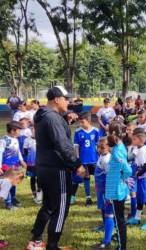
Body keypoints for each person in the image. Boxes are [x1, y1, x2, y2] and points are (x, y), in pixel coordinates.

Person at [27, 85, 85, 250]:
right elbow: (63, 145)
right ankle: (52, 246)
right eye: (66, 99)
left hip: (44, 167)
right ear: (57, 99)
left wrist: (64, 117)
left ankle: (36, 240)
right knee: (60, 209)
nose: (69, 102)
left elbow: (53, 127)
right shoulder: (52, 118)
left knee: (49, 205)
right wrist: (77, 165)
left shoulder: (44, 114)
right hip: (56, 169)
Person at [105, 121, 132, 250]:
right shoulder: (119, 147)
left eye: (109, 132)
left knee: (119, 219)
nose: (108, 134)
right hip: (116, 189)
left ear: (114, 133)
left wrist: (122, 178)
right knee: (118, 217)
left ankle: (122, 246)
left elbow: (128, 170)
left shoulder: (117, 151)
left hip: (117, 190)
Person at [127, 128, 146, 230]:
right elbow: (130, 158)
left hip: (144, 179)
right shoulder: (137, 148)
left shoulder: (144, 150)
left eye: (134, 139)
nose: (132, 141)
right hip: (139, 178)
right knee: (139, 199)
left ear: (139, 140)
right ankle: (137, 218)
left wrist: (139, 172)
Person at [71, 111, 99, 206]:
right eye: (80, 122)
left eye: (82, 122)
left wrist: (100, 157)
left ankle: (99, 197)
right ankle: (88, 198)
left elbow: (99, 145)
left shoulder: (95, 131)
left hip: (95, 160)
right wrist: (78, 159)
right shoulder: (78, 132)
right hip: (83, 160)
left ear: (88, 121)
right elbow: (76, 147)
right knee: (86, 178)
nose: (80, 124)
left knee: (98, 178)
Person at [0, 121, 27, 210]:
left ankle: (13, 198)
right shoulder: (4, 140)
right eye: (19, 130)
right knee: (7, 184)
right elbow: (0, 153)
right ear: (12, 131)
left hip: (15, 166)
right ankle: (8, 203)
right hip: (6, 167)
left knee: (14, 183)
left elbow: (18, 151)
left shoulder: (15, 139)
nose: (20, 132)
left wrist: (22, 161)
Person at [93, 137, 113, 249]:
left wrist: (109, 193)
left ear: (109, 148)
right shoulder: (102, 156)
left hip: (107, 191)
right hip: (101, 189)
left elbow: (110, 177)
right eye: (98, 147)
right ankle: (106, 229)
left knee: (109, 213)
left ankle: (107, 241)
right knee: (104, 211)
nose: (100, 149)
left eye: (103, 147)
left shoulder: (107, 159)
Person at [0, 169, 24, 249]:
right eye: (18, 182)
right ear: (16, 178)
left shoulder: (2, 179)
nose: (17, 184)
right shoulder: (7, 183)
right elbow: (0, 198)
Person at [23, 126, 42, 204]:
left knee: (40, 179)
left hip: (41, 164)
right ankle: (34, 194)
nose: (34, 131)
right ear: (31, 130)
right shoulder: (27, 140)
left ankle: (39, 195)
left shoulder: (43, 139)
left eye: (36, 129)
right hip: (31, 164)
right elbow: (25, 151)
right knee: (32, 178)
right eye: (33, 129)